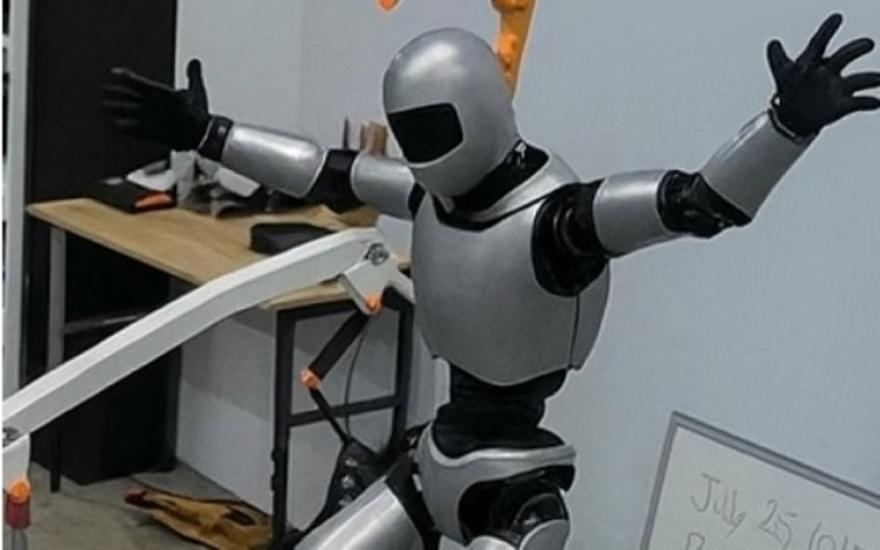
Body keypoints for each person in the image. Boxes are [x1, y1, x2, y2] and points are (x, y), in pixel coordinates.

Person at [104, 13, 879, 550]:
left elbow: (699, 203)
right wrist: (207, 134)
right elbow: (326, 171)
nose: (418, 151)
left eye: (429, 130)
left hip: (516, 495)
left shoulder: (560, 219)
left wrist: (786, 126)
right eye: (409, 133)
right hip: (432, 459)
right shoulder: (429, 196)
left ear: (475, 109)